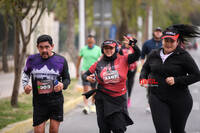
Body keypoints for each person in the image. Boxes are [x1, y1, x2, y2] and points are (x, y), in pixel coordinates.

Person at [139, 24, 200, 133]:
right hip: (157, 98)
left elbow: (197, 75)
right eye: (166, 40)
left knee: (178, 130)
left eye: (172, 41)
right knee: (162, 130)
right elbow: (145, 69)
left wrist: (177, 80)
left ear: (177, 42)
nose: (168, 44)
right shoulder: (154, 54)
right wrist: (142, 78)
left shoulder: (183, 56)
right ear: (162, 40)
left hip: (180, 100)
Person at [82, 39, 140, 133]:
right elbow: (84, 75)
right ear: (102, 50)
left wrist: (133, 45)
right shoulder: (98, 63)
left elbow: (137, 55)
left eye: (111, 48)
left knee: (119, 128)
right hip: (102, 99)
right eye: (106, 48)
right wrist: (88, 78)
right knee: (104, 129)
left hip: (119, 99)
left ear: (115, 49)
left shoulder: (123, 59)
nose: (108, 50)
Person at [22, 35, 71, 133]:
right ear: (37, 47)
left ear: (52, 46)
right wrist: (25, 86)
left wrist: (62, 85)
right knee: (39, 131)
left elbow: (67, 79)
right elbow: (26, 74)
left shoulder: (61, 60)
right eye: (41, 47)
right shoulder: (32, 60)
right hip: (39, 102)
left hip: (56, 101)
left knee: (53, 130)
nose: (44, 50)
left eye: (47, 47)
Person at [76, 35, 101, 114]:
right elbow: (79, 60)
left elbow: (101, 61)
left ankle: (93, 104)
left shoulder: (98, 49)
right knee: (86, 89)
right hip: (85, 72)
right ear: (87, 42)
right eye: (89, 42)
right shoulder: (83, 49)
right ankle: (86, 106)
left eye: (92, 42)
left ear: (94, 41)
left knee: (94, 90)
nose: (90, 43)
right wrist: (77, 71)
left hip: (94, 72)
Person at [141, 27, 163, 112]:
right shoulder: (147, 43)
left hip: (162, 69)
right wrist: (143, 69)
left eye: (159, 32)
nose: (158, 33)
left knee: (161, 86)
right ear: (154, 32)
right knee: (150, 87)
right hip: (150, 69)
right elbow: (142, 56)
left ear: (161, 33)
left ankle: (160, 104)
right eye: (156, 31)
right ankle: (149, 104)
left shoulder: (164, 43)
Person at [119, 35, 138, 107]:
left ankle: (129, 98)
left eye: (129, 41)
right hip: (124, 69)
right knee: (124, 83)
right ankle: (123, 98)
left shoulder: (133, 47)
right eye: (126, 41)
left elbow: (138, 54)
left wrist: (132, 41)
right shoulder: (122, 48)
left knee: (130, 84)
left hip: (132, 69)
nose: (127, 43)